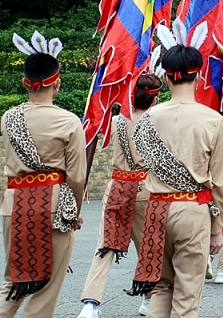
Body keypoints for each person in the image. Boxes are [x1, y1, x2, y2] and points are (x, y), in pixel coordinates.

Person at [127, 24, 223, 318]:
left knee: (160, 287)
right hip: (192, 211)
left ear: (165, 76)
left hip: (155, 209)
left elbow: (141, 161)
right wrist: (217, 226)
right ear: (198, 75)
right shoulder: (212, 120)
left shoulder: (147, 118)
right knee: (187, 292)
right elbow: (220, 181)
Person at [0, 32, 86, 317]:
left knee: (15, 281)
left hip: (15, 205)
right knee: (46, 286)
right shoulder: (69, 121)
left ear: (26, 82)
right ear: (57, 82)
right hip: (51, 205)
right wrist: (73, 211)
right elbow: (75, 175)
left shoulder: (8, 118)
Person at [78, 73, 161, 318]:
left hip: (118, 186)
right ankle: (148, 298)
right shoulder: (159, 121)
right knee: (150, 245)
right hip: (147, 188)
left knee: (105, 245)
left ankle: (90, 303)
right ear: (155, 97)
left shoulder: (116, 121)